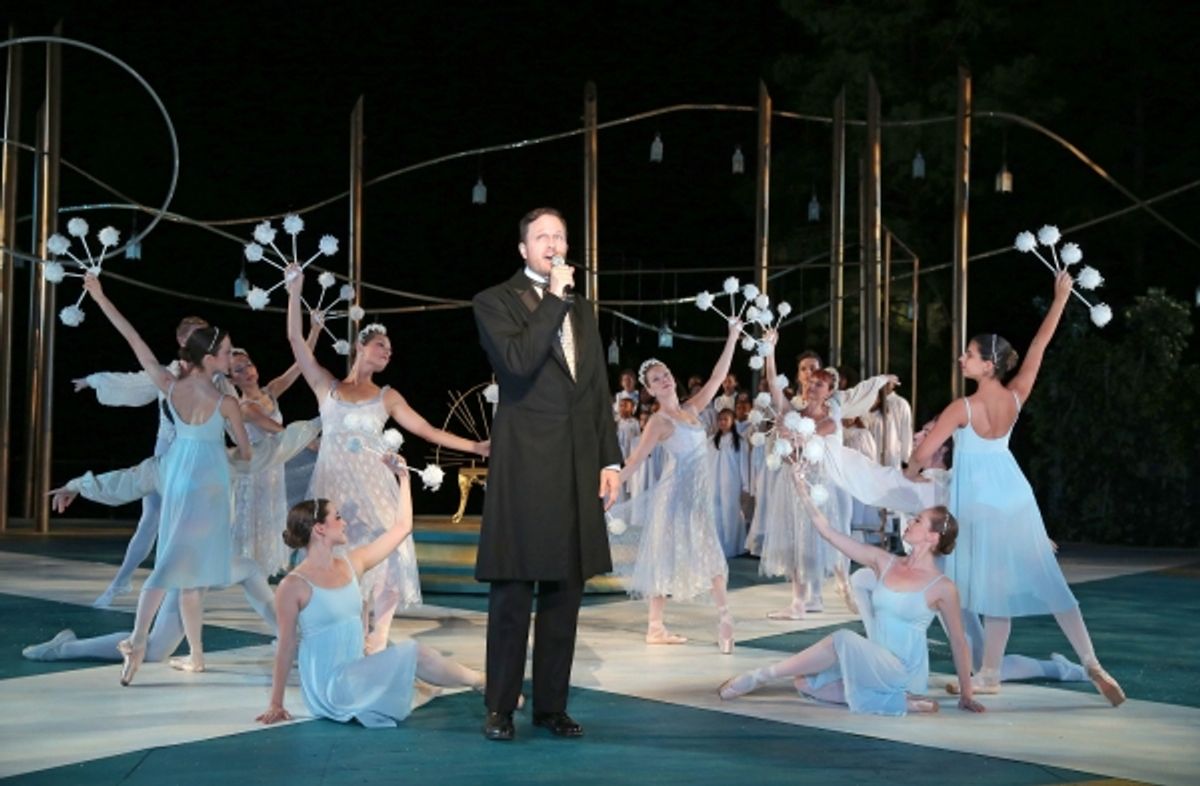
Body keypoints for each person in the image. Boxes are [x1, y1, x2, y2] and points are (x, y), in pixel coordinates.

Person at [905, 271, 1124, 706]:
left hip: (979, 503)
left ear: (988, 365)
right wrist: (1060, 299)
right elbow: (1039, 347)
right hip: (1016, 496)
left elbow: (925, 451)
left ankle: (988, 672)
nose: (962, 359)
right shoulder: (1015, 396)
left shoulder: (962, 407)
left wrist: (911, 472)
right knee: (1040, 582)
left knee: (988, 587)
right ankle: (1085, 661)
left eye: (969, 354)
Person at [471, 207, 622, 741]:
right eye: (542, 237)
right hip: (526, 464)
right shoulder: (494, 301)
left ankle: (551, 706)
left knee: (565, 591)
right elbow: (517, 363)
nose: (553, 244)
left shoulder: (582, 308)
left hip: (578, 463)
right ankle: (500, 707)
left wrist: (609, 459)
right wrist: (554, 298)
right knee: (514, 593)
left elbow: (596, 387)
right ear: (524, 249)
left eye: (560, 236)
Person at [285, 265, 487, 655]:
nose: (388, 352)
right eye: (381, 345)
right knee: (337, 557)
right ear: (361, 346)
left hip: (374, 488)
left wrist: (475, 447)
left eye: (390, 350)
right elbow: (295, 340)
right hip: (332, 488)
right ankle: (348, 632)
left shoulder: (387, 396)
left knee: (388, 554)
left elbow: (427, 429)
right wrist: (295, 291)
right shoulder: (327, 386)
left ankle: (379, 633)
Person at [83, 273, 251, 685]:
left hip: (179, 480)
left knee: (182, 572)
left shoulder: (170, 386)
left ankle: (192, 655)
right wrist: (224, 450)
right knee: (176, 572)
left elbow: (133, 339)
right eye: (227, 352)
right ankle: (139, 640)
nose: (231, 357)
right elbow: (245, 454)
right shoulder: (226, 402)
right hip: (209, 490)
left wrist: (100, 297)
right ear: (209, 358)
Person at [257, 464, 486, 728]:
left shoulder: (353, 563)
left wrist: (404, 478)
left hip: (355, 672)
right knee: (414, 653)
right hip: (330, 687)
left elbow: (402, 528)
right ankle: (482, 681)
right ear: (320, 529)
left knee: (411, 661)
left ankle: (481, 681)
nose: (345, 522)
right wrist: (276, 703)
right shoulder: (293, 585)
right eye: (338, 517)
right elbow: (285, 645)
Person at [719, 491, 985, 717]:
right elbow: (828, 533)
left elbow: (959, 641)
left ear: (933, 537)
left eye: (918, 521)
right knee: (805, 684)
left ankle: (760, 676)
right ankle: (899, 701)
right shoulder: (885, 562)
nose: (909, 522)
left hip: (903, 669)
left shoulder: (942, 587)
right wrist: (803, 493)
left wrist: (967, 694)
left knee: (843, 638)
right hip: (873, 658)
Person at [605, 318, 743, 648]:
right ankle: (657, 627)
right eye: (656, 379)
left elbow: (717, 377)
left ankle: (723, 618)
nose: (664, 380)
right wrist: (613, 484)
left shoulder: (691, 409)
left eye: (665, 374)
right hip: (675, 497)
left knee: (711, 552)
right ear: (650, 390)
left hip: (698, 498)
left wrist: (733, 336)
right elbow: (635, 460)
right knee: (664, 557)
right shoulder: (658, 421)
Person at [73, 315, 222, 608]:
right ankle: (120, 583)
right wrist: (93, 380)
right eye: (194, 335)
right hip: (166, 452)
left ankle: (180, 587)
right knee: (151, 518)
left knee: (189, 521)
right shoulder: (167, 374)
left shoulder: (214, 376)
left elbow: (233, 410)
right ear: (181, 340)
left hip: (198, 455)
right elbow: (134, 380)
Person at [228, 325, 319, 577]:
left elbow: (300, 365)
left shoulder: (270, 392)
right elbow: (277, 430)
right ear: (231, 380)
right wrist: (307, 440)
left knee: (273, 517)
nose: (247, 371)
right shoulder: (244, 407)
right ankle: (251, 571)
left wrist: (314, 331)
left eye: (248, 365)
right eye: (238, 370)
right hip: (257, 471)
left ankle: (266, 569)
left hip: (274, 470)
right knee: (256, 522)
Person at [711, 408, 748, 557]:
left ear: (733, 421)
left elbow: (743, 463)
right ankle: (718, 545)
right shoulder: (712, 441)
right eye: (720, 419)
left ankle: (732, 546)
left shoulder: (739, 442)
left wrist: (745, 483)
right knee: (716, 511)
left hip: (731, 480)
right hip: (714, 480)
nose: (722, 422)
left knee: (730, 511)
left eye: (726, 419)